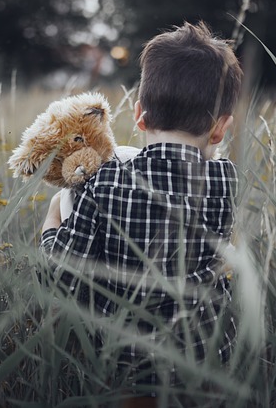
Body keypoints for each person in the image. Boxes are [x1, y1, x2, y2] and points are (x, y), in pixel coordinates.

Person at [41, 21, 243, 407]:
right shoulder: (226, 180)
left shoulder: (104, 180)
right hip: (208, 360)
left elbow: (63, 274)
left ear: (139, 116)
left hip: (131, 369)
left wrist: (53, 219)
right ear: (221, 129)